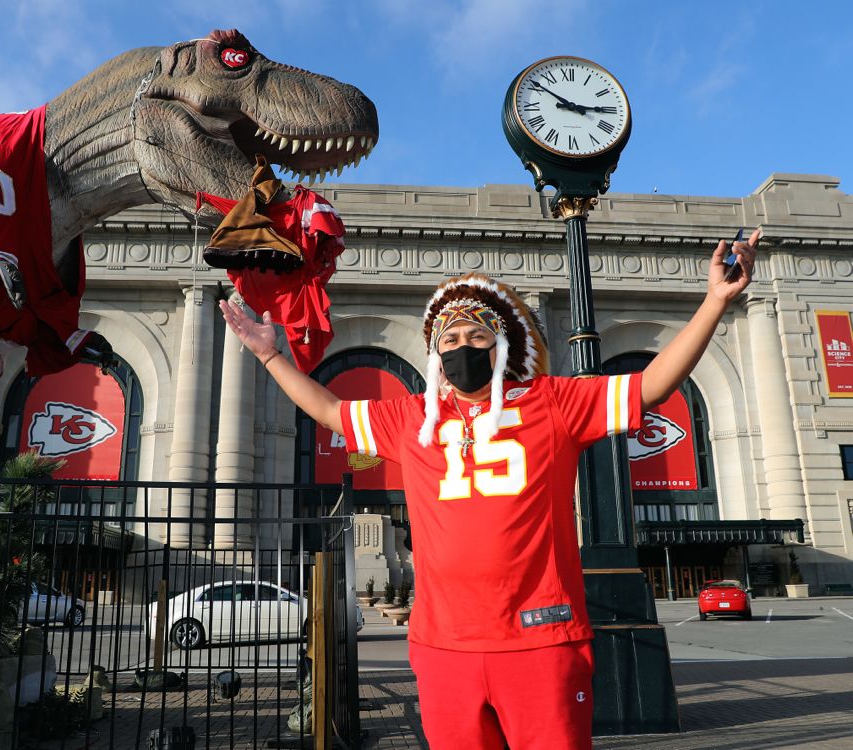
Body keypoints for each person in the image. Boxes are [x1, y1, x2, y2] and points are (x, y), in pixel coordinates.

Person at [220, 229, 760, 749]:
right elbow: (330, 410)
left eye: (477, 336)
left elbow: (652, 383)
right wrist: (271, 356)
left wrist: (714, 301)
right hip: (443, 643)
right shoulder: (413, 417)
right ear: (434, 355)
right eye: (450, 339)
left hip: (540, 639)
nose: (463, 347)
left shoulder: (553, 401)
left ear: (500, 345)